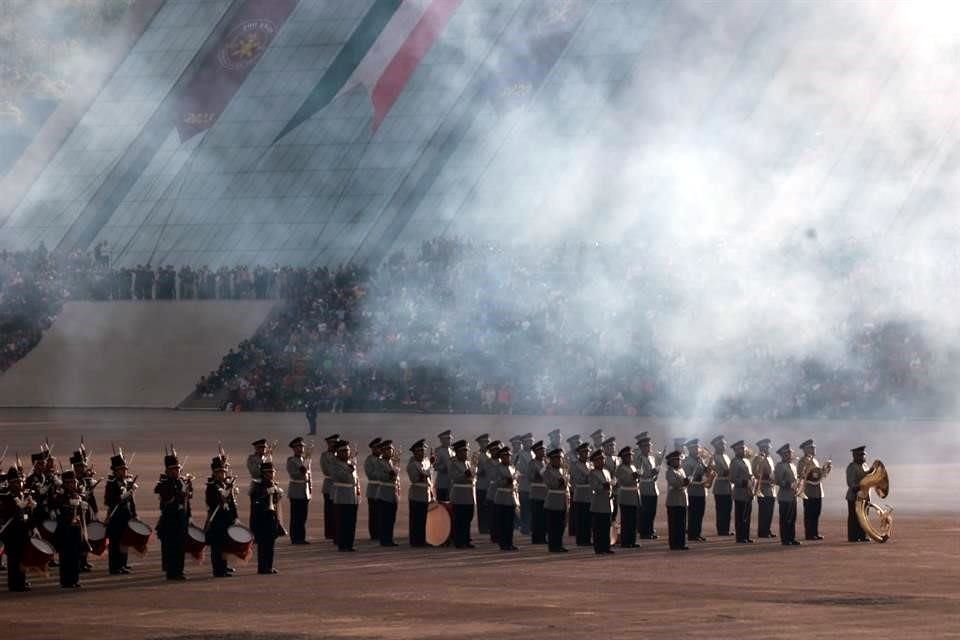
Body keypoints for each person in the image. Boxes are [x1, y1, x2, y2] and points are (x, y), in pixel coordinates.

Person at [155, 451, 191, 580]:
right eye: (174, 469)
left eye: (178, 469)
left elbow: (187, 501)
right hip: (170, 521)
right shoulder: (165, 483)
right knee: (171, 548)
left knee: (180, 547)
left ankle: (179, 570)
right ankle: (171, 572)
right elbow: (167, 499)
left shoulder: (180, 482)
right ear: (168, 471)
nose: (177, 471)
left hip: (181, 520)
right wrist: (179, 493)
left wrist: (189, 516)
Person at [0, 466, 33, 591]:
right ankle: (14, 584)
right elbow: (5, 513)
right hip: (11, 532)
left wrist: (26, 516)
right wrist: (17, 508)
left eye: (17, 481)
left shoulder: (21, 493)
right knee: (13, 559)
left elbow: (24, 513)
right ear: (9, 482)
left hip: (21, 531)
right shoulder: (5, 494)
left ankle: (21, 581)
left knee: (22, 557)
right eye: (13, 482)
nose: (16, 484)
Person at [103, 452, 137, 574]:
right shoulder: (111, 483)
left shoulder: (126, 482)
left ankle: (123, 564)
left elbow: (131, 501)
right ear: (115, 471)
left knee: (125, 540)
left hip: (126, 516)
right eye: (121, 470)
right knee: (115, 543)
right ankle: (114, 567)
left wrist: (134, 514)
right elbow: (108, 501)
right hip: (115, 516)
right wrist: (120, 497)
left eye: (124, 469)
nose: (124, 472)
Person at [205, 456, 238, 577]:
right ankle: (217, 570)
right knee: (217, 547)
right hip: (216, 520)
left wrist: (236, 517)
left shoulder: (226, 485)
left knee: (225, 545)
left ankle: (223, 567)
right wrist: (221, 497)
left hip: (226, 519)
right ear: (214, 473)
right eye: (219, 472)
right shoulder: (211, 486)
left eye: (223, 472)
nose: (222, 474)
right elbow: (210, 502)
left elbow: (232, 503)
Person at [250, 461, 284, 573]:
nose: (271, 474)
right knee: (263, 545)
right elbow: (256, 501)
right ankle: (262, 567)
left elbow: (275, 502)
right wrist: (265, 493)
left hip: (272, 518)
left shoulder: (273, 484)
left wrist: (277, 494)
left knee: (270, 544)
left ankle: (269, 566)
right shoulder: (258, 485)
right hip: (262, 519)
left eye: (272, 472)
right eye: (269, 472)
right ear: (263, 473)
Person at [70, 449, 98, 572]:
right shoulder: (71, 480)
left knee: (87, 537)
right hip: (76, 513)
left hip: (86, 511)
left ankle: (84, 561)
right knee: (79, 538)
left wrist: (95, 510)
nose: (81, 468)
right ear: (75, 467)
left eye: (82, 466)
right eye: (79, 466)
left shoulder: (87, 479)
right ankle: (79, 562)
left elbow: (91, 497)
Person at [330, 440, 360, 552]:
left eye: (347, 450)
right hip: (341, 496)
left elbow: (355, 479)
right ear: (338, 452)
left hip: (352, 496)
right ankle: (342, 545)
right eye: (343, 451)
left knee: (351, 522)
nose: (346, 453)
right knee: (342, 522)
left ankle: (349, 544)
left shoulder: (350, 463)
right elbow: (338, 476)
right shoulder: (334, 463)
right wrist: (349, 469)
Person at [799, 439, 831, 540]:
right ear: (806, 449)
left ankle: (815, 533)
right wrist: (812, 473)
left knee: (816, 513)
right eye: (812, 448)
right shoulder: (802, 461)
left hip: (818, 491)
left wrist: (826, 469)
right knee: (809, 514)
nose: (814, 449)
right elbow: (801, 474)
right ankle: (809, 534)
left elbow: (820, 476)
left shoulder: (815, 460)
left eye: (814, 447)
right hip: (809, 491)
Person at [449, 440, 476, 548]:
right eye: (463, 452)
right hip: (459, 496)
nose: (465, 454)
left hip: (469, 495)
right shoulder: (453, 463)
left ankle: (466, 540)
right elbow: (454, 478)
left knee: (468, 519)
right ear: (457, 453)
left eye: (466, 451)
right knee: (460, 520)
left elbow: (473, 477)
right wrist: (465, 475)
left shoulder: (468, 463)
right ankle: (459, 542)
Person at [406, 439, 433, 547]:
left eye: (423, 451)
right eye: (419, 451)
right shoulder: (412, 465)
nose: (421, 453)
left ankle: (422, 539)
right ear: (414, 452)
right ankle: (415, 541)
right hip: (416, 494)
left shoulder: (426, 462)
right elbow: (415, 478)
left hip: (425, 494)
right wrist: (427, 472)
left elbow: (429, 479)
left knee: (424, 519)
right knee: (416, 519)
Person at [286, 437, 312, 545]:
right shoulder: (291, 460)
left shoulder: (305, 460)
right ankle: (295, 538)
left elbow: (309, 476)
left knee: (303, 516)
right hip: (296, 491)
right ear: (293, 449)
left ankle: (301, 537)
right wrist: (301, 471)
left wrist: (310, 489)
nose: (300, 448)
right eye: (298, 447)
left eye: (301, 446)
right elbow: (293, 474)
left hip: (304, 491)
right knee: (296, 516)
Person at [493, 446, 520, 551]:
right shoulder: (497, 468)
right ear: (501, 457)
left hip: (511, 498)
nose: (507, 458)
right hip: (501, 498)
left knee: (510, 523)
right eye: (505, 457)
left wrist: (515, 480)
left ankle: (510, 543)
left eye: (508, 456)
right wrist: (506, 481)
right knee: (502, 523)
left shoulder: (512, 468)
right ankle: (503, 543)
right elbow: (496, 482)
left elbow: (515, 483)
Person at [774, 443, 801, 546]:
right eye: (789, 453)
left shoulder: (793, 465)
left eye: (791, 453)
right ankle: (785, 539)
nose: (791, 454)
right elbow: (778, 481)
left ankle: (791, 537)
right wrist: (789, 484)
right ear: (783, 455)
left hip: (792, 496)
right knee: (785, 519)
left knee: (792, 518)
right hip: (784, 496)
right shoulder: (780, 466)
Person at [682, 439, 708, 542]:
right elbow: (687, 477)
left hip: (701, 490)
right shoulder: (687, 462)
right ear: (690, 449)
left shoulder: (700, 460)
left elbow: (705, 471)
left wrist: (708, 469)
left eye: (697, 448)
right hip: (692, 491)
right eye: (694, 448)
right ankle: (692, 535)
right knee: (693, 514)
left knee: (700, 513)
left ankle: (698, 533)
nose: (697, 450)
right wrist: (698, 476)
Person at [729, 440, 755, 544]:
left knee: (747, 516)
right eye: (741, 449)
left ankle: (746, 536)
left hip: (748, 492)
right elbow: (732, 478)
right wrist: (744, 482)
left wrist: (752, 483)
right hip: (740, 492)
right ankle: (740, 537)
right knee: (740, 516)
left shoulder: (747, 460)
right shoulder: (735, 462)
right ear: (735, 450)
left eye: (744, 448)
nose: (743, 450)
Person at [543, 448, 569, 552]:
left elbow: (567, 484)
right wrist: (560, 482)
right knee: (553, 526)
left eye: (560, 459)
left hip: (562, 500)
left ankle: (559, 544)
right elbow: (551, 484)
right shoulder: (547, 471)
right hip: (553, 501)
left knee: (561, 525)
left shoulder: (563, 471)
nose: (559, 461)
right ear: (551, 460)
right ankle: (553, 546)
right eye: (556, 459)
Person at [589, 449, 614, 555]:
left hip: (608, 503)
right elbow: (595, 487)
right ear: (594, 462)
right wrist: (604, 486)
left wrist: (611, 489)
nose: (601, 461)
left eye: (602, 459)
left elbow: (611, 485)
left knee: (606, 527)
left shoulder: (606, 472)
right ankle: (599, 548)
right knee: (598, 528)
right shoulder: (592, 473)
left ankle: (606, 546)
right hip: (598, 503)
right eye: (599, 460)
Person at [614, 446, 640, 548]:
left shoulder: (632, 467)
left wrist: (637, 477)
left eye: (630, 456)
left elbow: (636, 481)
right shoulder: (620, 468)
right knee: (626, 520)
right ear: (623, 458)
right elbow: (624, 481)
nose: (629, 458)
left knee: (634, 520)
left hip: (634, 495)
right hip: (626, 496)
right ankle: (625, 541)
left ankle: (632, 540)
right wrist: (633, 477)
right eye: (627, 456)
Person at [376, 440, 400, 547]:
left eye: (391, 449)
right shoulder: (379, 462)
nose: (390, 451)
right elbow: (379, 476)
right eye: (387, 449)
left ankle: (389, 539)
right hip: (384, 493)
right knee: (384, 518)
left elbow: (396, 478)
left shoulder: (392, 463)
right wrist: (390, 476)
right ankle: (384, 540)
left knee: (391, 518)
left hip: (392, 494)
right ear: (382, 451)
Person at [665, 450, 690, 550]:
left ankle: (681, 542)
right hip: (674, 500)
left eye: (679, 460)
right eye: (676, 460)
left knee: (682, 523)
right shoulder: (670, 472)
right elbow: (674, 483)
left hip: (682, 499)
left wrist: (687, 481)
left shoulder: (681, 470)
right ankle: (674, 544)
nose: (678, 462)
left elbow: (684, 483)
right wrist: (684, 482)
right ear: (671, 462)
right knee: (674, 524)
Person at [636, 435, 660, 540]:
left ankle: (650, 530)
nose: (648, 448)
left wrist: (655, 474)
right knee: (644, 511)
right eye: (645, 446)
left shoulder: (652, 458)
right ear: (641, 447)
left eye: (649, 446)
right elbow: (639, 473)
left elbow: (653, 473)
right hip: (644, 487)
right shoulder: (639, 459)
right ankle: (644, 532)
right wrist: (651, 472)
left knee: (652, 511)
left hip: (653, 486)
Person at [846, 445, 872, 543]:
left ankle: (862, 535)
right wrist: (861, 487)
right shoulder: (852, 467)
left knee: (864, 517)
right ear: (855, 456)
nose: (863, 457)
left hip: (865, 496)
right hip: (854, 497)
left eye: (864, 455)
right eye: (861, 455)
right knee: (854, 518)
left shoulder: (865, 466)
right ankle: (853, 537)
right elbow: (851, 483)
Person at [710, 434, 733, 536]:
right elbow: (714, 469)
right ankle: (721, 530)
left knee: (728, 509)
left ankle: (726, 529)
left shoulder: (726, 456)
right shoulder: (714, 457)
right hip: (720, 486)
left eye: (724, 444)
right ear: (716, 446)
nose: (724, 446)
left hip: (728, 487)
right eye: (721, 445)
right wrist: (725, 472)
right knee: (721, 510)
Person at [754, 439, 777, 539]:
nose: (768, 449)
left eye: (768, 448)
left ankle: (767, 530)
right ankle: (762, 532)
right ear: (761, 448)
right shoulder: (758, 458)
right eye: (766, 448)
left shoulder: (769, 458)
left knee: (769, 511)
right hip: (762, 487)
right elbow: (755, 471)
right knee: (764, 512)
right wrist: (764, 476)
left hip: (771, 488)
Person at [570, 442, 592, 546]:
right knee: (581, 518)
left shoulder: (589, 464)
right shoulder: (575, 465)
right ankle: (581, 540)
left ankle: (587, 539)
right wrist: (589, 478)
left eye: (588, 451)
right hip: (580, 494)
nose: (587, 454)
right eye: (584, 452)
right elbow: (577, 479)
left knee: (588, 518)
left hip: (589, 494)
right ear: (579, 453)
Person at [320, 434, 340, 541]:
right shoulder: (324, 455)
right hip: (329, 485)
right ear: (328, 444)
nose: (335, 445)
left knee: (338, 510)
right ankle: (329, 533)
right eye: (333, 443)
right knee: (329, 511)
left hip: (339, 487)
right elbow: (326, 470)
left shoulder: (340, 455)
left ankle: (337, 531)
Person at [527, 441, 548, 545]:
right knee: (536, 518)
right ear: (536, 452)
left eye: (543, 450)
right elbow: (529, 477)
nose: (543, 452)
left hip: (545, 494)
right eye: (541, 450)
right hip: (536, 494)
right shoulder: (532, 463)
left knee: (544, 518)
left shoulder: (545, 463)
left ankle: (543, 537)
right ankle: (536, 538)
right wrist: (536, 476)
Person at [363, 438, 383, 542]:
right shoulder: (369, 460)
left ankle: (381, 532)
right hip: (373, 490)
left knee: (381, 513)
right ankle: (374, 534)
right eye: (377, 448)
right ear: (372, 449)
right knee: (374, 514)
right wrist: (384, 475)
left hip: (382, 490)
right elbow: (370, 474)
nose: (379, 450)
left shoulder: (382, 459)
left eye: (380, 448)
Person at [246, 439, 268, 526]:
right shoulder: (251, 458)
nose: (263, 450)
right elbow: (254, 472)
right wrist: (263, 463)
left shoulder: (267, 457)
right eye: (261, 448)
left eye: (264, 448)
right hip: (257, 487)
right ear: (256, 448)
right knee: (256, 511)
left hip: (267, 486)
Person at [517, 433, 534, 535]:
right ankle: (525, 527)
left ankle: (531, 526)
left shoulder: (534, 453)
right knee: (525, 508)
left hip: (533, 487)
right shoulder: (520, 454)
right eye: (528, 442)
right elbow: (518, 469)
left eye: (531, 441)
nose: (530, 443)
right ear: (523, 443)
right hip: (524, 485)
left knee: (532, 508)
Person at [565, 435, 582, 537]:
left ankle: (578, 528)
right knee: (573, 508)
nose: (579, 445)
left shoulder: (581, 456)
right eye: (577, 443)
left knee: (579, 508)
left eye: (579, 443)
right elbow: (567, 470)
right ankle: (572, 530)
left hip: (581, 486)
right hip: (573, 485)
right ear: (572, 444)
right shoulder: (568, 456)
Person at [474, 434, 491, 535]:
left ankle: (489, 526)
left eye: (488, 442)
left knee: (489, 507)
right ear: (480, 444)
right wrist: (481, 471)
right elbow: (473, 470)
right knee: (481, 508)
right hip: (481, 485)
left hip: (490, 486)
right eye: (484, 442)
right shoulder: (476, 455)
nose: (486, 444)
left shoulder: (491, 454)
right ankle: (483, 528)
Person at [434, 430, 453, 502]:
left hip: (450, 484)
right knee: (441, 505)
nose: (450, 441)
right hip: (442, 483)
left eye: (450, 439)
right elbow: (435, 466)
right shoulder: (439, 451)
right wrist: (443, 468)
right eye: (448, 439)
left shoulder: (452, 451)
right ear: (442, 440)